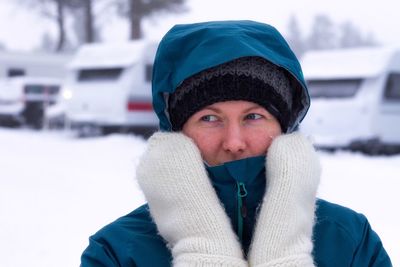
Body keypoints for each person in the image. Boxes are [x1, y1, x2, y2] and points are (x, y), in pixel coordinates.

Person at [81, 20, 392, 266]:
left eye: (254, 117)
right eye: (209, 118)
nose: (234, 142)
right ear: (179, 130)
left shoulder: (350, 240)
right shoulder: (118, 252)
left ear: (283, 126)